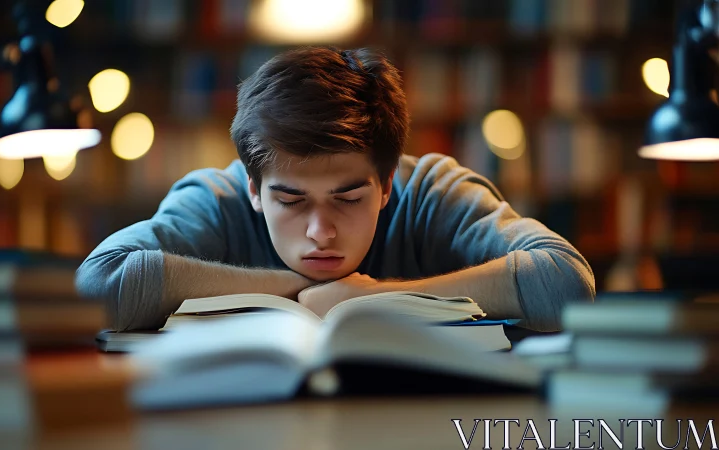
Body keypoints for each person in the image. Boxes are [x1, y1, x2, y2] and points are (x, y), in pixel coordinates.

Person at [76, 47, 595, 333]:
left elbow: (566, 285)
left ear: (388, 183)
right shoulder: (215, 199)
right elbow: (96, 289)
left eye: (348, 198)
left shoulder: (433, 189)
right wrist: (296, 295)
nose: (320, 232)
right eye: (291, 200)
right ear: (253, 189)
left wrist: (370, 298)